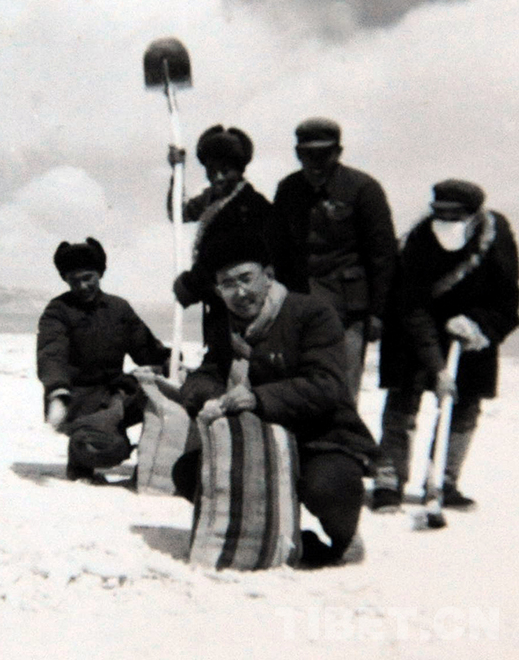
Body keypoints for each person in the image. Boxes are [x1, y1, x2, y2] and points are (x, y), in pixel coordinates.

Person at [175, 231, 379, 567]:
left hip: (320, 438)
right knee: (188, 473)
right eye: (227, 284)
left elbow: (327, 385)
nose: (240, 292)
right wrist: (206, 394)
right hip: (259, 441)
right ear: (217, 290)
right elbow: (208, 373)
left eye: (246, 278)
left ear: (268, 276)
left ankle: (345, 539)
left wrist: (258, 398)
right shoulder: (223, 327)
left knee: (327, 486)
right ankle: (278, 533)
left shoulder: (312, 313)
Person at [373, 179, 519, 511]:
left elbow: (509, 302)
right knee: (402, 401)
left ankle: (443, 480)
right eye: (439, 213)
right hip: (413, 328)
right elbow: (410, 306)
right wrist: (438, 369)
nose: (445, 221)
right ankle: (389, 480)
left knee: (464, 404)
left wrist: (478, 326)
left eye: (454, 215)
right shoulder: (418, 240)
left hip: (471, 332)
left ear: (474, 215)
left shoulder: (497, 238)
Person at [273, 117, 397, 400]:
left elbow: (383, 256)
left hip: (348, 310)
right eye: (308, 155)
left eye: (324, 154)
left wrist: (377, 313)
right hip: (299, 305)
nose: (316, 163)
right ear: (297, 154)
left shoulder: (363, 189)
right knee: (299, 385)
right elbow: (276, 249)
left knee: (342, 389)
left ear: (338, 152)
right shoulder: (288, 189)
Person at [36, 237, 171, 485]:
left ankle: (150, 461)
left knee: (168, 396)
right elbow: (51, 353)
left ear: (100, 273)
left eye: (88, 277)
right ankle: (81, 453)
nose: (83, 286)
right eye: (74, 280)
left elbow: (145, 348)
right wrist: (57, 391)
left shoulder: (119, 308)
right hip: (78, 399)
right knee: (109, 449)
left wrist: (170, 362)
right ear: (66, 280)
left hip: (117, 393)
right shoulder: (58, 311)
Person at [167, 124, 306, 348]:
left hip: (245, 306)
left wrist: (191, 284)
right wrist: (177, 172)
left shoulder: (252, 206)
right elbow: (179, 213)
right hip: (219, 300)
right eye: (212, 171)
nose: (218, 177)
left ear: (240, 170)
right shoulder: (211, 198)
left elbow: (222, 254)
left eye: (225, 170)